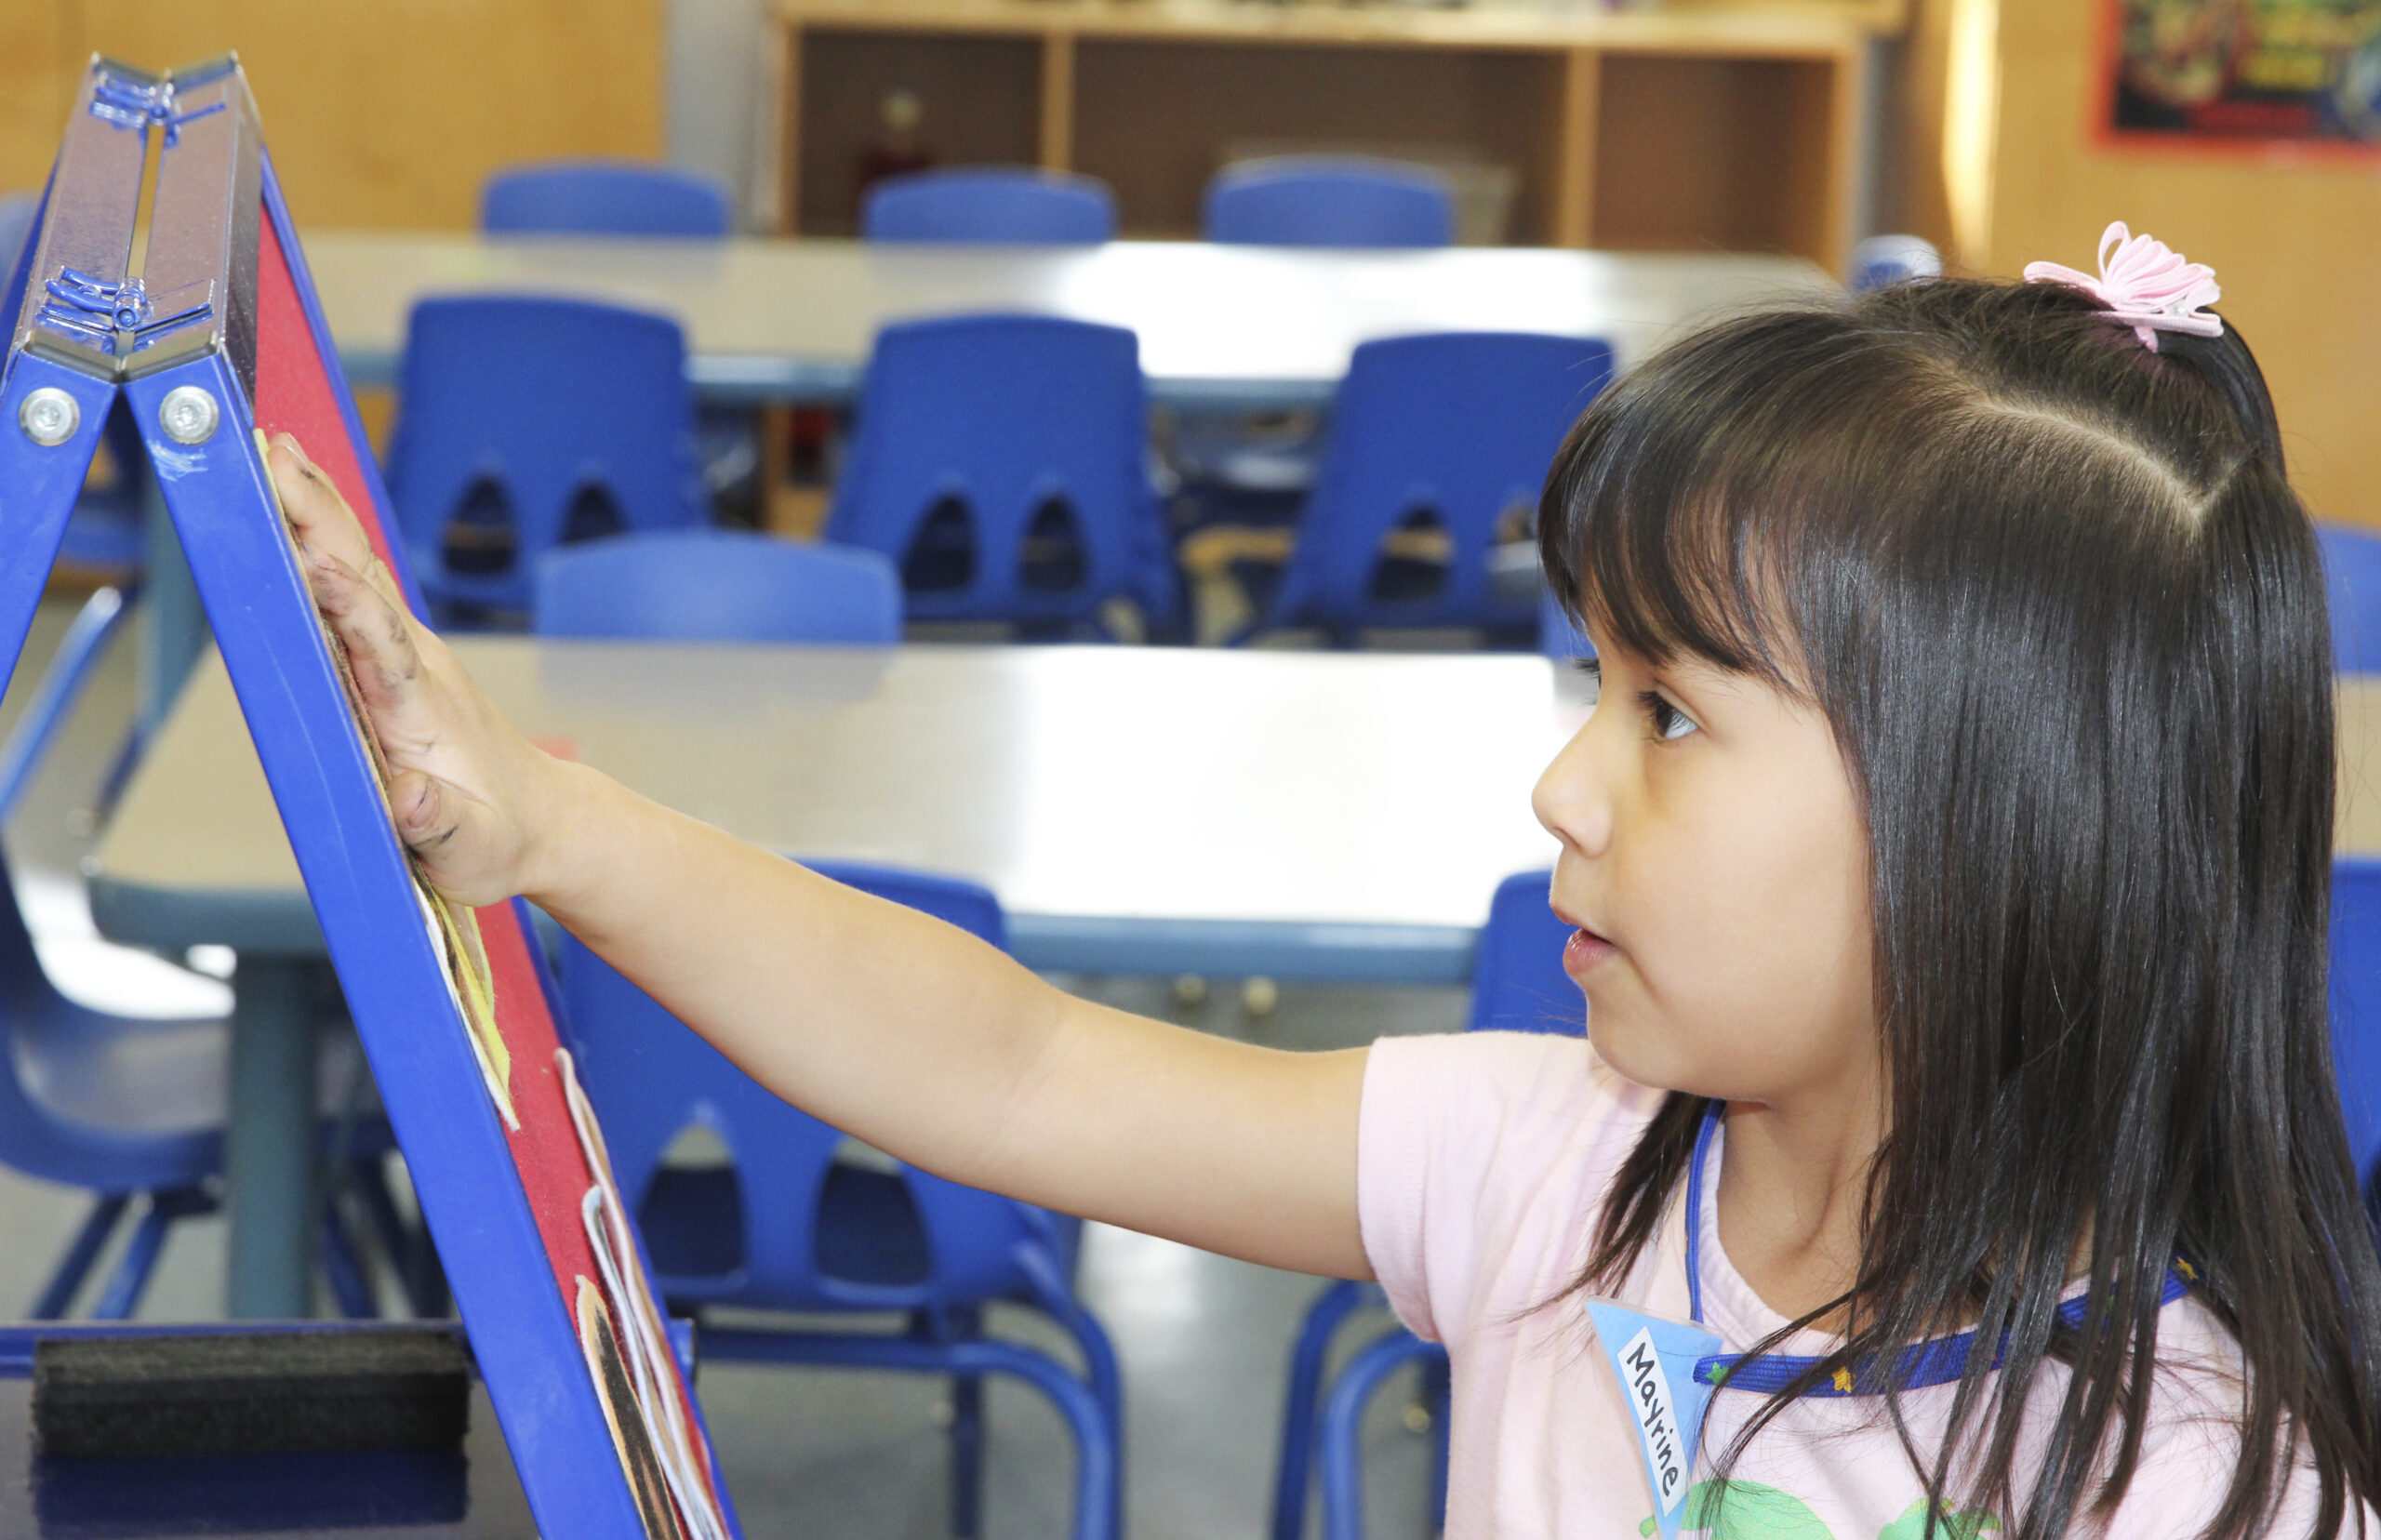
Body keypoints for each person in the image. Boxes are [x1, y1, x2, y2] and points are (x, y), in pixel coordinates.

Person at [266, 222, 2380, 1539]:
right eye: (1593, 682)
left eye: (1666, 714)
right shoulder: (1556, 1173)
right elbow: (1010, 1068)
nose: (1564, 786)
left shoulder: (2211, 1482)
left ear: (1987, 818)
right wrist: (545, 832)